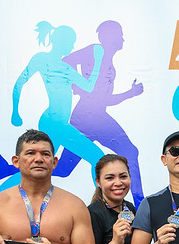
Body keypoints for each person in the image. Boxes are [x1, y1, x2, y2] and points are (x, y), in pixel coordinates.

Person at [60, 20, 146, 204]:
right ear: (108, 36)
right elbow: (67, 61)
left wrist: (130, 93)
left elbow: (105, 100)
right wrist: (78, 85)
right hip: (86, 117)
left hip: (96, 116)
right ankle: (141, 204)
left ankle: (140, 204)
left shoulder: (109, 63)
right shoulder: (95, 50)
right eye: (119, 34)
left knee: (62, 169)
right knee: (63, 169)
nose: (122, 38)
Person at [11, 22, 104, 184]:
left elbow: (88, 87)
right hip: (54, 123)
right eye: (71, 42)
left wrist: (98, 61)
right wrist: (15, 111)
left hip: (56, 122)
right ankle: (102, 204)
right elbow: (20, 83)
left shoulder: (66, 68)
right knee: (97, 157)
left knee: (39, 168)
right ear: (60, 41)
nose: (73, 46)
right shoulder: (41, 59)